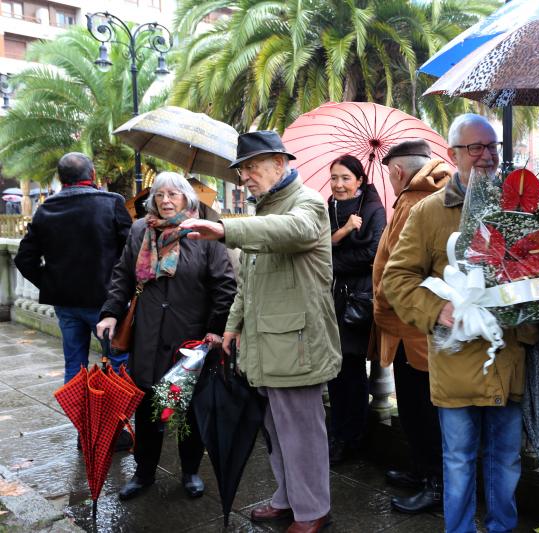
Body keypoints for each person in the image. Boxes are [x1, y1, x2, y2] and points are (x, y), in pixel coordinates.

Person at [180, 131, 342, 533]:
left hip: (296, 343)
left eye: (252, 167)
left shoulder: (309, 203)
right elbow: (248, 282)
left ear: (280, 163)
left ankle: (312, 510)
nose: (245, 177)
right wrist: (232, 326)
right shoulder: (266, 209)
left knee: (301, 432)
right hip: (268, 343)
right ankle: (288, 499)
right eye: (241, 170)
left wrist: (225, 230)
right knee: (275, 430)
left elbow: (293, 230)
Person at [382, 114, 536, 533]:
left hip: (507, 357)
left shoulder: (520, 206)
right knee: (458, 459)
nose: (486, 156)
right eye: (475, 148)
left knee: (505, 460)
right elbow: (396, 278)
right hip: (455, 362)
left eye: (492, 147)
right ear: (453, 155)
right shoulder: (429, 212)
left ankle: (503, 527)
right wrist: (437, 311)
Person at [96, 172, 236, 501]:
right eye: (160, 195)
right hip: (147, 336)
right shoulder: (140, 230)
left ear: (187, 198)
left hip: (189, 339)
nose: (166, 201)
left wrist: (215, 329)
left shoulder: (204, 232)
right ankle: (144, 474)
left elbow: (225, 285)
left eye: (173, 194)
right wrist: (110, 312)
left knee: (186, 407)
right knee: (146, 407)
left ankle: (189, 472)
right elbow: (122, 275)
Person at [372, 139, 451, 513]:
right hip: (415, 325)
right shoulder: (427, 195)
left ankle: (434, 483)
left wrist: (384, 305)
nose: (389, 181)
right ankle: (422, 472)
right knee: (415, 406)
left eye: (389, 175)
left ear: (398, 172)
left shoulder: (415, 200)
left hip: (415, 324)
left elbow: (402, 270)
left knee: (423, 410)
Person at [15, 153, 131, 385]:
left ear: (60, 177)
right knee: (118, 360)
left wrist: (52, 283)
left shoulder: (46, 209)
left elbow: (24, 259)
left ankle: (81, 420)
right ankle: (116, 419)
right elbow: (131, 252)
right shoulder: (111, 202)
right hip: (107, 302)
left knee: (74, 366)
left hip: (66, 303)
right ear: (93, 174)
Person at [327, 155, 386, 464]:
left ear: (360, 180)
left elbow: (373, 253)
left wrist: (331, 260)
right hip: (333, 298)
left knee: (352, 366)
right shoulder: (330, 206)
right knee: (335, 369)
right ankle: (339, 432)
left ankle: (353, 434)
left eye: (345, 178)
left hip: (359, 299)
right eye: (334, 177)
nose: (338, 184)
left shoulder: (374, 209)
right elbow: (318, 243)